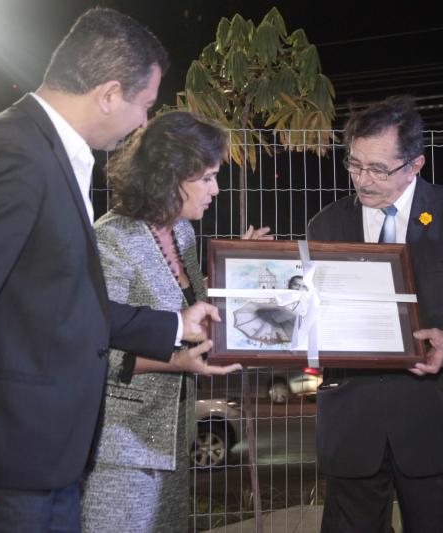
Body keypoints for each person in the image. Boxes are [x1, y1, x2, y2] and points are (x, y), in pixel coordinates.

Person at [0, 8, 222, 533]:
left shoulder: (56, 155)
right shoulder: (10, 151)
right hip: (1, 466)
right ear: (109, 94)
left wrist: (173, 325)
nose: (144, 123)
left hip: (49, 461)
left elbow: (62, 302)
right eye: (145, 105)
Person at [306, 95, 443, 532]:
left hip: (436, 424)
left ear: (415, 165)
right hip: (352, 427)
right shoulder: (326, 224)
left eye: (378, 169)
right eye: (354, 164)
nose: (363, 180)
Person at [79, 111, 266, 532]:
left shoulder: (181, 233)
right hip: (121, 448)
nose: (216, 189)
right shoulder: (111, 240)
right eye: (208, 178)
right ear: (170, 177)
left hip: (176, 441)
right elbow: (91, 350)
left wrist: (241, 266)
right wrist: (176, 362)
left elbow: (193, 312)